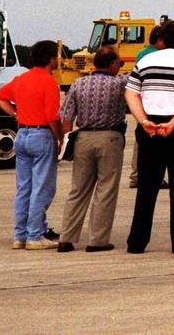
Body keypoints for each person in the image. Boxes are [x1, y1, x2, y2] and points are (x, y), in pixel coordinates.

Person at [124, 18, 174, 255]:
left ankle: (137, 242)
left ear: (161, 39)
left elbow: (131, 94)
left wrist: (144, 121)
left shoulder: (146, 61)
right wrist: (173, 123)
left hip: (149, 127)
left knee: (146, 188)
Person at [56, 46, 129, 253]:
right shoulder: (119, 83)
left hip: (83, 138)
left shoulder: (78, 83)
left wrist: (67, 141)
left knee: (78, 189)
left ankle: (66, 237)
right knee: (105, 189)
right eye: (119, 63)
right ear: (113, 64)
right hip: (110, 137)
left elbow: (67, 116)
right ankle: (97, 240)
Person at [0, 40, 63, 250]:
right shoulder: (49, 82)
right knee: (42, 188)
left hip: (22, 133)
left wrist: (15, 113)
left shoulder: (21, 78)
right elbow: (52, 116)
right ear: (52, 59)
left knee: (24, 188)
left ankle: (20, 235)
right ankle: (35, 234)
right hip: (41, 134)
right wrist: (61, 138)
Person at [129, 22, 165, 189]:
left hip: (141, 103)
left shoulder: (141, 53)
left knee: (140, 141)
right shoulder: (158, 55)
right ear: (159, 40)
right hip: (155, 103)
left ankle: (136, 174)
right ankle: (154, 176)